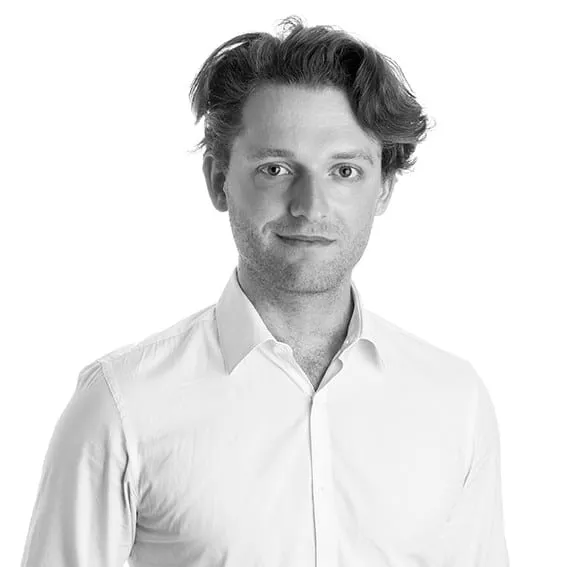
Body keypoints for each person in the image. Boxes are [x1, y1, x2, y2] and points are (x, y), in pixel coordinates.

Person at [20, 16, 509, 567]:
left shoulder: (455, 401)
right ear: (218, 180)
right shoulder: (122, 405)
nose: (310, 206)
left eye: (344, 171)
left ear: (383, 189)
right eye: (275, 168)